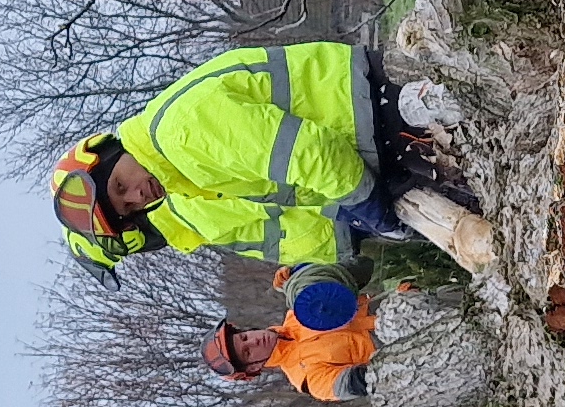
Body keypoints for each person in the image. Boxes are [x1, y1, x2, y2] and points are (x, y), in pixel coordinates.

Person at [49, 38, 496, 284]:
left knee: (499, 143)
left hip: (370, 113)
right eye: (130, 208)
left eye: (120, 187)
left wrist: (367, 207)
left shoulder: (180, 135)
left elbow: (308, 152)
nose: (138, 196)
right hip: (363, 140)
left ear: (108, 155)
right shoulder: (179, 173)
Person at [206, 273, 385, 403]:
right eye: (247, 352)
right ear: (253, 367)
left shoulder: (296, 313)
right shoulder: (305, 378)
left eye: (244, 337)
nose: (254, 341)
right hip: (391, 344)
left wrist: (296, 274)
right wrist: (362, 380)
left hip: (393, 302)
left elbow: (337, 278)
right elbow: (345, 385)